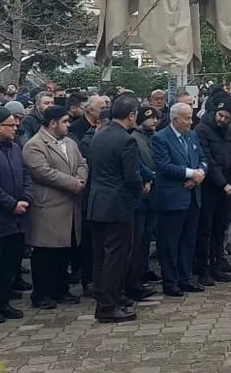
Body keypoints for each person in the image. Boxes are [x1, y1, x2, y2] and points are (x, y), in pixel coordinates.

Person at [84, 95, 146, 323]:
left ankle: (106, 299)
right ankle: (108, 306)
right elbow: (131, 176)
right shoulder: (126, 140)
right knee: (115, 257)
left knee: (100, 257)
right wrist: (141, 190)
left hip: (96, 202)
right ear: (131, 115)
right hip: (116, 205)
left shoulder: (99, 136)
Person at [23, 105, 87, 310]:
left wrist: (81, 179)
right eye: (65, 121)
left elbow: (82, 163)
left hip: (70, 206)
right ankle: (42, 293)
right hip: (48, 207)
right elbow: (42, 172)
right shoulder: (35, 145)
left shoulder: (70, 142)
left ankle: (61, 288)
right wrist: (72, 183)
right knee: (45, 253)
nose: (69, 125)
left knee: (64, 251)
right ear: (53, 123)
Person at [0, 106, 32, 324]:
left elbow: (26, 173)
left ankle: (2, 301)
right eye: (11, 125)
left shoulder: (15, 147)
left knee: (10, 264)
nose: (16, 128)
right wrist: (11, 204)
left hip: (17, 219)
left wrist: (26, 197)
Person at [151, 102, 207, 297]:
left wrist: (200, 173)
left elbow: (202, 157)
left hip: (192, 196)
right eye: (187, 118)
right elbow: (164, 166)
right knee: (170, 242)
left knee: (188, 240)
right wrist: (190, 173)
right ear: (175, 119)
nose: (190, 122)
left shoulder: (192, 136)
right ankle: (171, 281)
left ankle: (186, 278)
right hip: (172, 198)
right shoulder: (160, 138)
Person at [195, 96, 231, 286]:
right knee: (205, 229)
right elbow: (207, 159)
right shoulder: (202, 130)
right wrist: (222, 183)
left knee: (220, 228)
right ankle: (202, 268)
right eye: (220, 115)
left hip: (227, 187)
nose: (222, 120)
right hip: (209, 187)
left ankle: (216, 263)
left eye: (226, 117)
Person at [130, 106, 160, 285]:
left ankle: (145, 267)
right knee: (139, 234)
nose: (154, 121)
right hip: (142, 191)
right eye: (150, 118)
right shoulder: (134, 139)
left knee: (148, 233)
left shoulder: (155, 137)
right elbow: (136, 164)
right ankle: (137, 271)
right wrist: (147, 179)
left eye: (156, 117)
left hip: (155, 191)